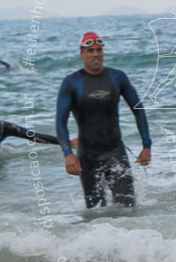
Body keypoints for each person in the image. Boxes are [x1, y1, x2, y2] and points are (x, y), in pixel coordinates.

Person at [56, 32, 152, 208]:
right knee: (94, 212)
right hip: (87, 156)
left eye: (99, 50)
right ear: (82, 53)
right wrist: (68, 154)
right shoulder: (72, 82)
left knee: (128, 207)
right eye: (90, 50)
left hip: (115, 151)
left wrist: (147, 146)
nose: (95, 54)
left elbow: (138, 110)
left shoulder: (117, 77)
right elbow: (60, 122)